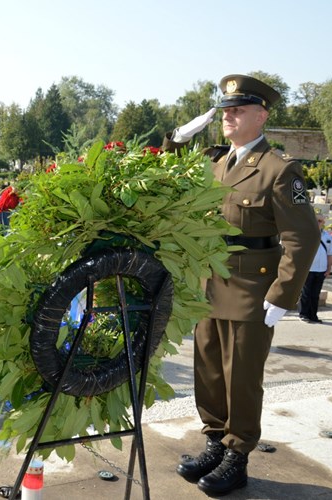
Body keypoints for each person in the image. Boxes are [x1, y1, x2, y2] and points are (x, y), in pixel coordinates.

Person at [163, 74, 318, 496]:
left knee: (241, 379)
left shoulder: (280, 170)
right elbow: (162, 175)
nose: (228, 116)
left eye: (238, 110)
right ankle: (215, 442)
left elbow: (301, 238)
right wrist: (177, 139)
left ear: (261, 115)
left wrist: (282, 296)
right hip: (208, 286)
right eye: (226, 110)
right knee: (209, 373)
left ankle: (238, 455)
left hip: (252, 291)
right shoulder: (215, 162)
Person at [298, 214, 332, 323]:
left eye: (321, 221)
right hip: (308, 269)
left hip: (321, 269)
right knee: (306, 293)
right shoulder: (305, 235)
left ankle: (313, 316)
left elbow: (329, 254)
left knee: (315, 294)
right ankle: (303, 314)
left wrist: (328, 268)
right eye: (317, 220)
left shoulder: (327, 236)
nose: (319, 223)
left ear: (323, 223)